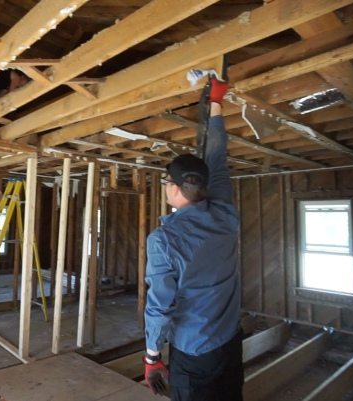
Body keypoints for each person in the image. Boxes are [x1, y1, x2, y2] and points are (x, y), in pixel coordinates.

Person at [142, 76, 243, 400]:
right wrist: (215, 102)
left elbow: (159, 307)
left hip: (194, 349)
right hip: (229, 341)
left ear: (172, 188)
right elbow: (217, 160)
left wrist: (152, 357)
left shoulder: (164, 240)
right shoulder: (224, 213)